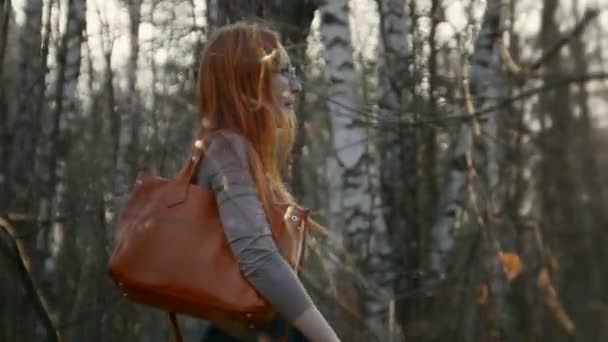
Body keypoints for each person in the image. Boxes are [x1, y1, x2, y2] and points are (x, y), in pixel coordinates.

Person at [193, 21, 340, 342]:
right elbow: (259, 261)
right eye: (283, 71)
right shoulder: (229, 150)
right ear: (247, 80)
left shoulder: (237, 151)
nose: (296, 85)